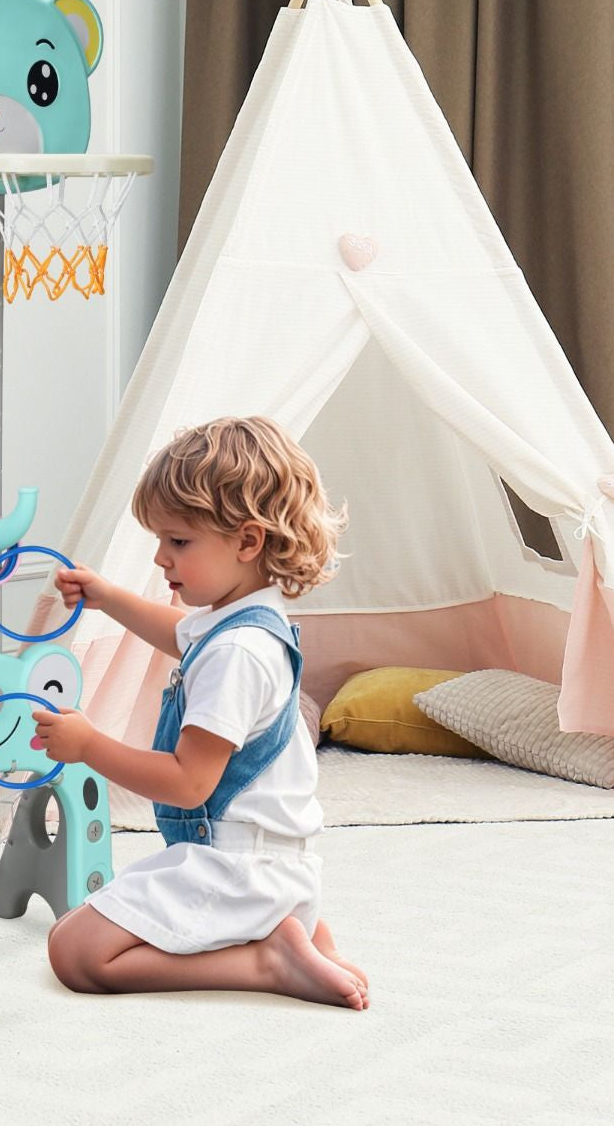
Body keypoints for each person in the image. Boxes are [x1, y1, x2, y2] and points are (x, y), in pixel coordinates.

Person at [32, 415, 368, 1010]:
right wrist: (106, 597)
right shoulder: (241, 622)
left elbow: (189, 784)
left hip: (239, 869)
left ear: (247, 541)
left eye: (179, 542)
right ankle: (295, 935)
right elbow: (179, 633)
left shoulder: (238, 652)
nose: (161, 557)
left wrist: (88, 746)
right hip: (261, 864)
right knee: (87, 927)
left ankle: (266, 960)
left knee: (76, 952)